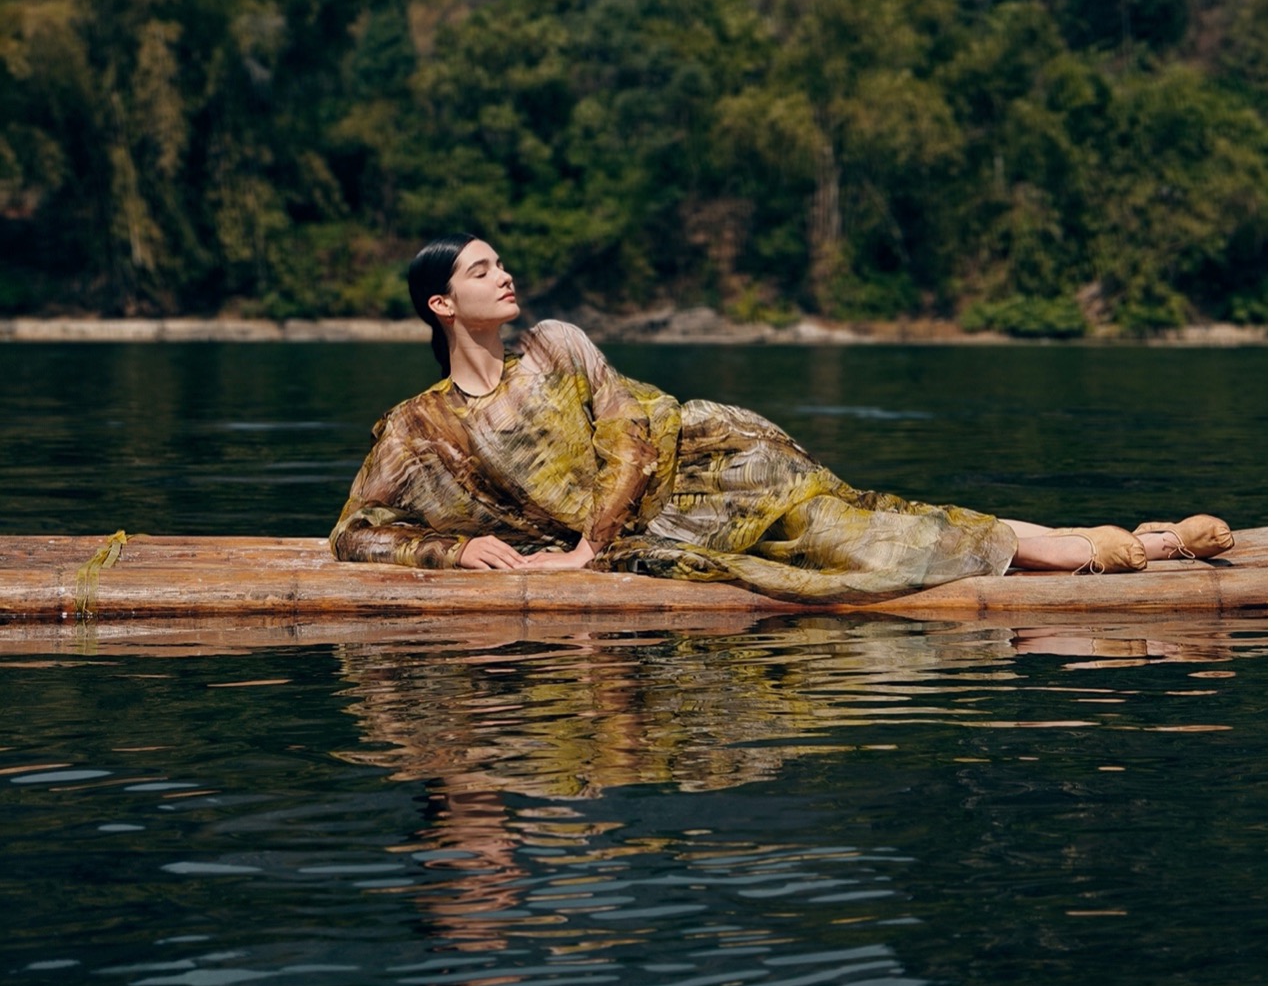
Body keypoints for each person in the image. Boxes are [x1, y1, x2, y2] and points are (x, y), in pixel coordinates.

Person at [329, 234, 1235, 602]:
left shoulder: (556, 345)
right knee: (877, 534)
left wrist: (583, 552)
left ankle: (1119, 550)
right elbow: (355, 532)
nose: (504, 276)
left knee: (868, 532)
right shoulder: (419, 427)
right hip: (654, 538)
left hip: (712, 469)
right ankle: (1137, 541)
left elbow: (632, 440)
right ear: (440, 306)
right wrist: (454, 553)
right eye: (481, 271)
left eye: (500, 263)